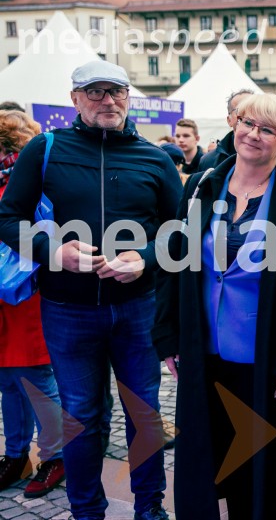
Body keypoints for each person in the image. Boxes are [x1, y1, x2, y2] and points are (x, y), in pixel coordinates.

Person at [0, 60, 181, 520]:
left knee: (144, 415)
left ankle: (150, 509)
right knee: (82, 417)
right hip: (68, 309)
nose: (108, 100)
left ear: (128, 95)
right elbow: (8, 216)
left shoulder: (153, 157)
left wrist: (146, 257)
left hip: (138, 307)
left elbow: (182, 229)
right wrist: (51, 250)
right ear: (75, 99)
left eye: (117, 91)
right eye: (96, 92)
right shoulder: (45, 148)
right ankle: (87, 511)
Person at [153, 93, 276, 519]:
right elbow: (172, 260)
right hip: (205, 351)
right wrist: (168, 334)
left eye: (267, 129)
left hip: (267, 358)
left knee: (264, 467)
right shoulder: (200, 186)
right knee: (210, 461)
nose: (253, 134)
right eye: (248, 122)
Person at [0, 110, 65, 499]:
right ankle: (15, 453)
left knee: (38, 381)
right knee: (8, 381)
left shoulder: (30, 184)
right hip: (7, 301)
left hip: (26, 294)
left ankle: (56, 456)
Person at [199, 88, 256, 170]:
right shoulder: (209, 161)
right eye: (240, 110)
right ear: (229, 120)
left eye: (253, 109)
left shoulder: (271, 155)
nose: (248, 115)